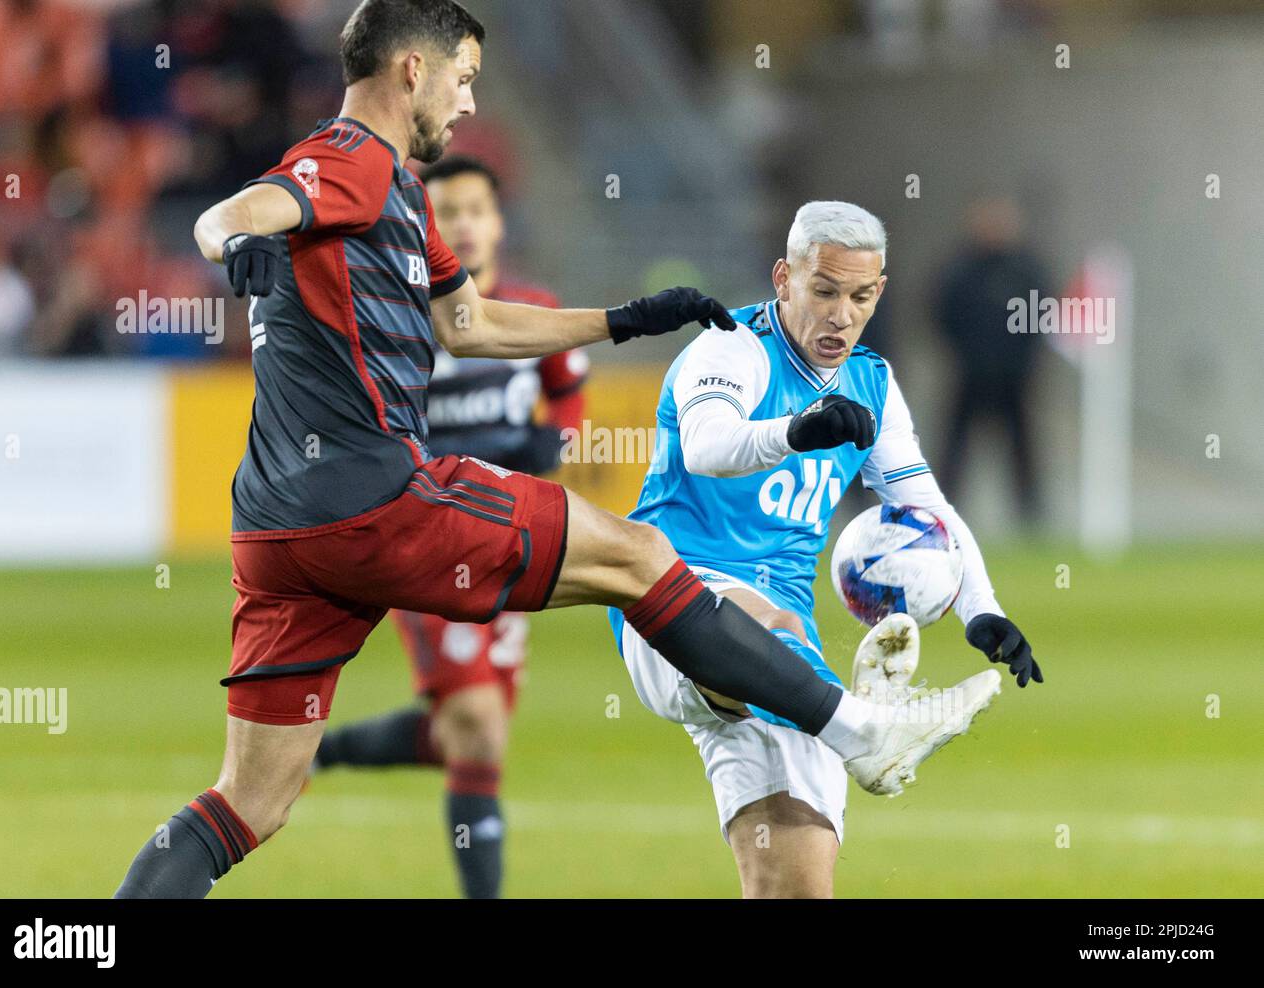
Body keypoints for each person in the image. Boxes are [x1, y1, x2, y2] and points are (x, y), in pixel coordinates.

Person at [113, 0, 1016, 899]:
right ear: (412, 71)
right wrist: (236, 240)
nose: (469, 104)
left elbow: (470, 324)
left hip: (275, 535)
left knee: (251, 802)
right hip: (371, 500)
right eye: (464, 78)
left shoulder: (401, 196)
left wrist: (624, 321)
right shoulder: (349, 158)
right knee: (640, 556)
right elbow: (234, 212)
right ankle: (862, 732)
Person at [610, 201, 1044, 898]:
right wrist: (796, 430)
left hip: (788, 660)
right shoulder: (730, 349)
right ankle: (871, 726)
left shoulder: (872, 381)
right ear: (784, 279)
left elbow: (926, 508)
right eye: (825, 291)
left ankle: (855, 720)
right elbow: (708, 446)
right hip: (674, 595)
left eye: (862, 296)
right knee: (766, 629)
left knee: (796, 883)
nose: (842, 314)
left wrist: (980, 610)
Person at [311, 155, 588, 899]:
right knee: (480, 724)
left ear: (498, 223)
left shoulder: (532, 308)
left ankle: (321, 751)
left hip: (509, 538)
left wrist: (553, 445)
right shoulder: (399, 318)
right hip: (427, 539)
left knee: (463, 735)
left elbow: (568, 389)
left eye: (475, 209)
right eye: (446, 212)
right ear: (423, 226)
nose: (462, 224)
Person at [933, 194, 1052, 524]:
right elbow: (941, 314)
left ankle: (1031, 515)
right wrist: (965, 353)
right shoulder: (959, 270)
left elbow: (1042, 314)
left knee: (1022, 449)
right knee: (954, 449)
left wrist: (1024, 360)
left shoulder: (1026, 270)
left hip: (1013, 377)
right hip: (970, 374)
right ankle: (942, 513)